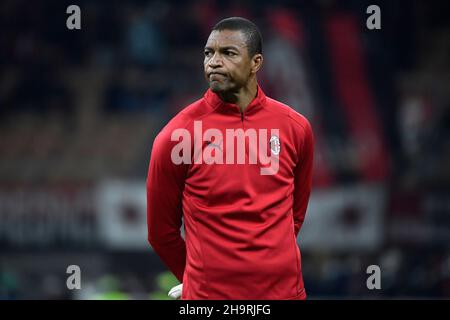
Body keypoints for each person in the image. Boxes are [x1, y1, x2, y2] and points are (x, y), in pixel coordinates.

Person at [146, 17, 314, 300]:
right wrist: (194, 277)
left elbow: (293, 217)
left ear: (256, 63)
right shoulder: (176, 135)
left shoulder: (295, 128)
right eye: (208, 53)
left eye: (228, 53)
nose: (213, 62)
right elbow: (161, 232)